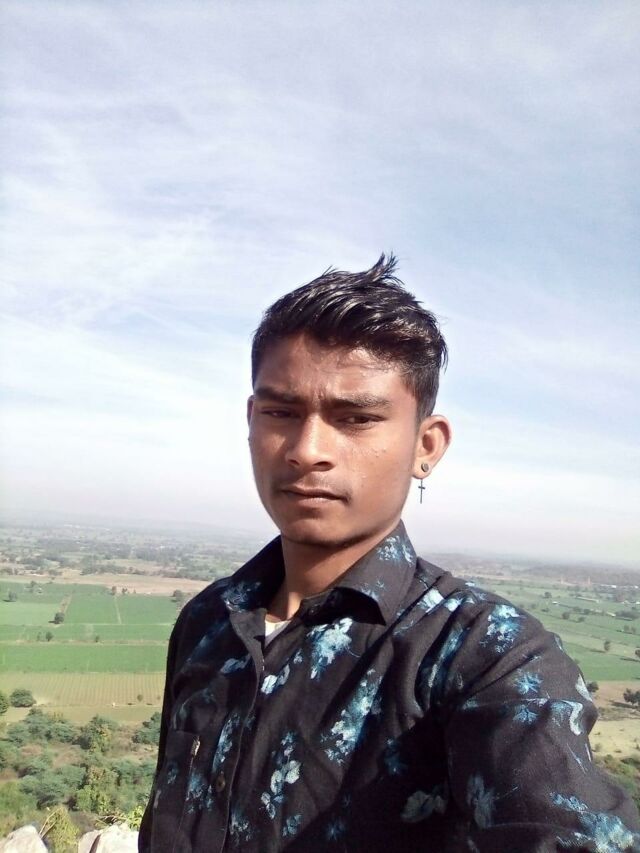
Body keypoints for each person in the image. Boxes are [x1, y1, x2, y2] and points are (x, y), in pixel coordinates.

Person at [139, 255, 639, 852]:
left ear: (426, 446)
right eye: (281, 412)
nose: (307, 449)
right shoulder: (208, 620)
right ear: (251, 421)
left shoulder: (483, 656)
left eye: (356, 418)